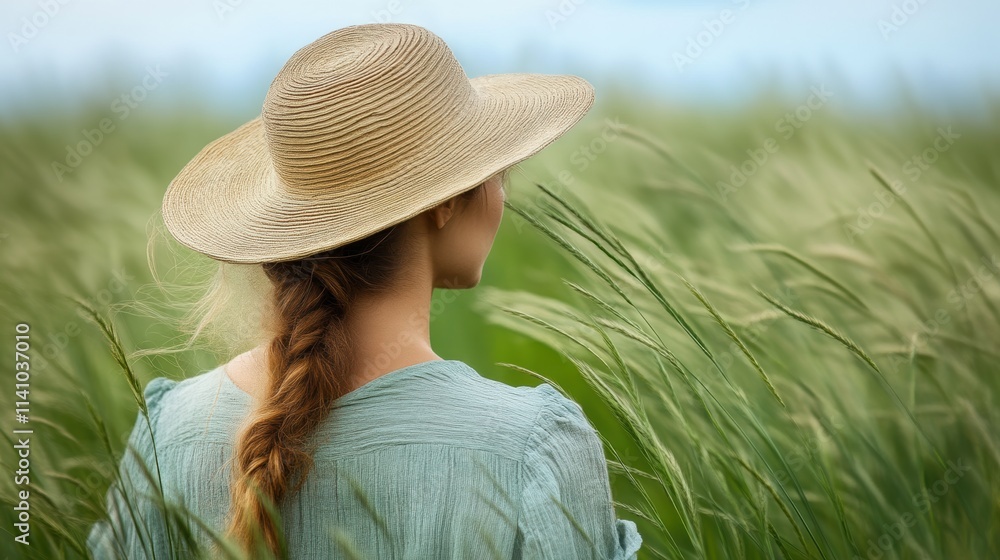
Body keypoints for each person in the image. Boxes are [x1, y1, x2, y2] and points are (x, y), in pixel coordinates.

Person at [87, 23, 642, 559]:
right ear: (443, 201)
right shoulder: (531, 449)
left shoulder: (169, 434)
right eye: (496, 170)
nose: (502, 195)